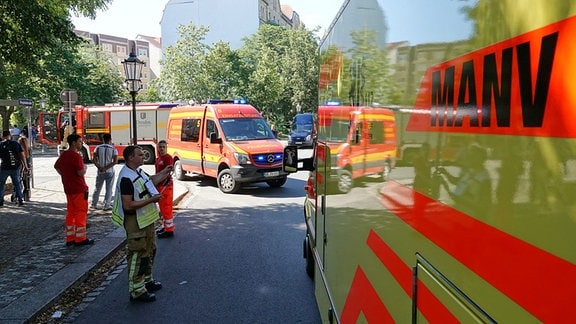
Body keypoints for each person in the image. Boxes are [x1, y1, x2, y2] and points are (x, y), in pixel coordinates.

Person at [111, 145, 172, 303]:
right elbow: (128, 205)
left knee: (150, 250)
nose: (143, 156)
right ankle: (137, 291)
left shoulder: (137, 172)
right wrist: (152, 200)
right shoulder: (126, 178)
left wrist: (164, 172)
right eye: (140, 155)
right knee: (139, 255)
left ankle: (146, 281)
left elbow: (149, 181)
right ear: (131, 158)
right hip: (135, 222)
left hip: (146, 220)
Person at [54, 134, 93, 246]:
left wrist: (66, 175)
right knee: (81, 213)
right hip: (79, 188)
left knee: (71, 213)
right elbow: (80, 172)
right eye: (80, 141)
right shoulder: (77, 156)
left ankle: (70, 237)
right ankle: (81, 239)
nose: (81, 143)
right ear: (74, 143)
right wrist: (85, 168)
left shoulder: (63, 155)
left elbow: (56, 167)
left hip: (68, 188)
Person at [0, 130, 28, 207]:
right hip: (15, 167)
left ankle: (1, 200)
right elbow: (22, 155)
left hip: (4, 167)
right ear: (10, 135)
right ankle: (20, 199)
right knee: (17, 183)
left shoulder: (1, 145)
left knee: (1, 184)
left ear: (2, 136)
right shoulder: (16, 144)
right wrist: (25, 165)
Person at [91, 133, 118, 210]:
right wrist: (106, 168)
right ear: (110, 140)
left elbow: (94, 159)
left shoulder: (98, 148)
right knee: (109, 188)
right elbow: (115, 161)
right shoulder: (113, 149)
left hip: (100, 171)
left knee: (97, 187)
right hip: (110, 171)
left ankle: (94, 204)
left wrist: (99, 167)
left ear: (103, 139)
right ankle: (106, 205)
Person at [155, 140, 175, 238]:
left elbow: (168, 171)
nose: (161, 149)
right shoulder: (158, 159)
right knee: (163, 208)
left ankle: (169, 230)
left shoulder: (168, 158)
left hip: (166, 186)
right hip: (160, 186)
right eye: (160, 147)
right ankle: (165, 226)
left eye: (163, 147)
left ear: (166, 148)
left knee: (166, 208)